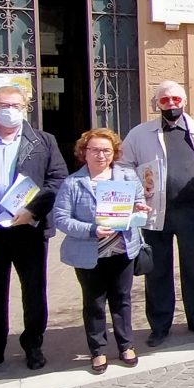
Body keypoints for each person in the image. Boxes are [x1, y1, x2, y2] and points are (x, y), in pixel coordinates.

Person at [0, 82, 68, 379]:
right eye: (3, 105)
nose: (9, 111)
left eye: (16, 106)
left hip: (29, 230)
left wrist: (32, 211)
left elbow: (57, 179)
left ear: (26, 109)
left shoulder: (43, 141)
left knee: (34, 290)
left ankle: (33, 344)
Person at [119, 81, 194, 346]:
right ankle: (160, 325)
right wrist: (136, 194)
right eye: (164, 100)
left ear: (185, 101)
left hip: (191, 210)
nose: (171, 104)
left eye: (176, 99)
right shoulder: (139, 134)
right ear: (157, 104)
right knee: (158, 269)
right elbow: (123, 165)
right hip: (155, 212)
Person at [51, 129, 146, 374]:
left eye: (106, 150)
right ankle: (98, 351)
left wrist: (139, 209)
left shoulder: (126, 177)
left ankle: (126, 346)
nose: (100, 155)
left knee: (122, 300)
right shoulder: (73, 182)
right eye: (94, 149)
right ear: (84, 152)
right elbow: (60, 218)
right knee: (94, 303)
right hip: (88, 253)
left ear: (114, 153)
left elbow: (140, 206)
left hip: (122, 249)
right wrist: (91, 230)